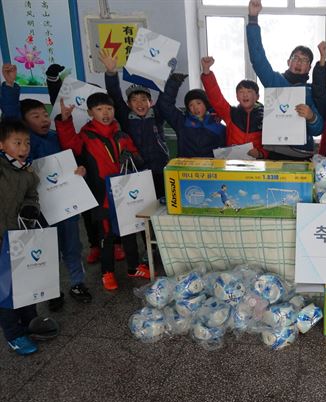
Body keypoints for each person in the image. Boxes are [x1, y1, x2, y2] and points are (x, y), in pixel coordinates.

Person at [0, 63, 92, 308]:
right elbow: (9, 117)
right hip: (39, 208)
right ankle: (51, 290)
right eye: (36, 116)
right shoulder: (25, 145)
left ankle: (77, 281)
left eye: (44, 114)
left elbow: (71, 155)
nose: (43, 119)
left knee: (72, 245)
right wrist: (9, 86)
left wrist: (78, 170)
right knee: (46, 249)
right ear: (23, 122)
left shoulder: (55, 136)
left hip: (65, 204)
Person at [55, 92, 151, 290]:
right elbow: (69, 144)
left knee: (129, 231)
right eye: (99, 110)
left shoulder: (122, 134)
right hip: (102, 195)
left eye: (109, 109)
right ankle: (107, 272)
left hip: (125, 193)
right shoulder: (86, 136)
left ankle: (133, 267)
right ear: (90, 112)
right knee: (106, 235)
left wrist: (131, 156)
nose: (105, 113)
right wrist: (65, 121)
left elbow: (137, 155)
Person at [0, 120, 60, 355]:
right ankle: (13, 334)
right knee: (5, 291)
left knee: (26, 281)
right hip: (2, 240)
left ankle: (30, 321)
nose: (24, 147)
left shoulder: (27, 171)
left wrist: (29, 206)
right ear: (2, 145)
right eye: (17, 142)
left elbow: (31, 195)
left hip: (20, 238)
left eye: (26, 142)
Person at [247, 0, 324, 160]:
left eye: (304, 60)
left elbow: (318, 130)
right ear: (288, 62)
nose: (299, 62)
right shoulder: (275, 81)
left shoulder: (311, 91)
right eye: (296, 58)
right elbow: (258, 59)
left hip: (302, 155)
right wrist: (253, 20)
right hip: (275, 152)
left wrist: (311, 117)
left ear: (309, 68)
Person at [98, 50, 169, 197]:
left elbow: (166, 98)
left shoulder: (157, 114)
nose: (140, 103)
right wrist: (111, 72)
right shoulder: (125, 116)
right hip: (137, 170)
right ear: (129, 104)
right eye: (135, 100)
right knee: (142, 205)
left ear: (151, 102)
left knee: (162, 206)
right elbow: (115, 95)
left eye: (144, 99)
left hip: (161, 169)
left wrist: (167, 76)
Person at [200, 56, 267, 159]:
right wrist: (207, 72)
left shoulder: (267, 115)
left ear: (257, 96)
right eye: (241, 92)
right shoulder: (230, 112)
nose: (245, 95)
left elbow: (273, 144)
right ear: (236, 96)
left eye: (249, 92)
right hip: (232, 164)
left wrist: (260, 153)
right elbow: (215, 97)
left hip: (258, 166)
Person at [156, 68, 226, 158]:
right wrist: (173, 82)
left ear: (206, 104)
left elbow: (224, 154)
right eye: (191, 105)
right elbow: (165, 105)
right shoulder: (182, 122)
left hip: (210, 170)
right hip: (185, 169)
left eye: (198, 103)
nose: (195, 108)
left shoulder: (219, 127)